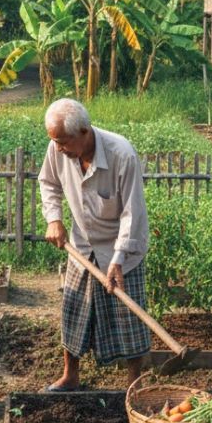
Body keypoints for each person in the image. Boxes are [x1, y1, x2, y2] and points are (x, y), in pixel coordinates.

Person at [38, 98, 150, 391]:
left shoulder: (121, 155)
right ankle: (70, 375)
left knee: (130, 319)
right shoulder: (57, 148)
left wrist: (117, 259)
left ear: (85, 132)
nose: (58, 148)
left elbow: (132, 212)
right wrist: (54, 219)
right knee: (74, 310)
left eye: (63, 141)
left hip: (122, 248)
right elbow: (48, 183)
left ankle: (134, 384)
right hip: (82, 245)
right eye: (55, 141)